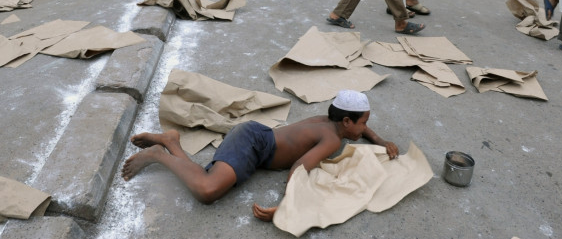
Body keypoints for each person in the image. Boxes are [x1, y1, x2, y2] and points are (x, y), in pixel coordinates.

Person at [122, 90, 399, 216]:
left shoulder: (332, 122)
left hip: (256, 141)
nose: (365, 127)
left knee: (206, 180)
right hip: (253, 143)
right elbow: (300, 168)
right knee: (207, 190)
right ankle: (159, 154)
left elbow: (362, 130)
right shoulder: (330, 139)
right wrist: (290, 202)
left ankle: (172, 143)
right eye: (363, 122)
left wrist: (380, 139)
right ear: (347, 122)